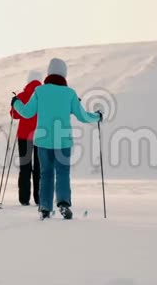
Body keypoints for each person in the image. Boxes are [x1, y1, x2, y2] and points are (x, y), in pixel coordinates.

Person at [12, 58, 102, 219]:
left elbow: (27, 113)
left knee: (45, 173)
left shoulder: (40, 91)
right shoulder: (70, 93)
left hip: (43, 141)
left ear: (49, 73)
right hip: (63, 141)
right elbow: (83, 116)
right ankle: (63, 204)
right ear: (64, 73)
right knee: (62, 172)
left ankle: (45, 207)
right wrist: (97, 116)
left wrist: (16, 103)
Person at [10, 70, 43, 206]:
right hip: (41, 136)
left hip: (24, 137)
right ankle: (39, 198)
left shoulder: (22, 96)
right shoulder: (43, 95)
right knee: (39, 168)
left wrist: (14, 104)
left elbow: (14, 115)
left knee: (25, 167)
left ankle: (24, 199)